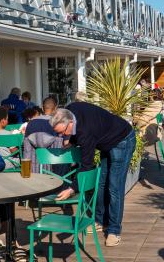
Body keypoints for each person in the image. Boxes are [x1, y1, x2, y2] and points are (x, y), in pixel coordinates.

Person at [51, 102, 136, 247]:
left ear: (70, 123)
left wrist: (72, 189)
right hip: (106, 140)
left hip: (122, 139)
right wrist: (70, 138)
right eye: (57, 133)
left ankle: (114, 230)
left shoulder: (85, 132)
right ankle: (100, 221)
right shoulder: (69, 110)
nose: (61, 136)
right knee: (102, 184)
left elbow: (86, 166)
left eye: (62, 132)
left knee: (115, 187)